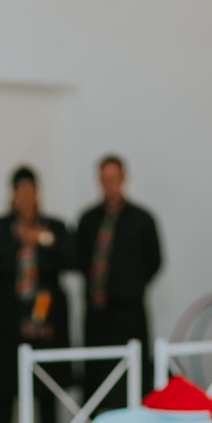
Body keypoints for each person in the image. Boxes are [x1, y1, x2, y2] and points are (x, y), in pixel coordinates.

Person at [0, 167, 77, 423]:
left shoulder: (54, 227)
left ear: (38, 194)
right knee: (4, 387)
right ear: (13, 195)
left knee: (48, 387)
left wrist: (42, 238)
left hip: (48, 321)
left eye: (32, 192)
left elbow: (74, 259)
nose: (27, 198)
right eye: (21, 192)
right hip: (8, 320)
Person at [76, 155, 162, 408]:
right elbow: (80, 258)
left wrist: (129, 285)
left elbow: (155, 261)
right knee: (97, 374)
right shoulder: (88, 219)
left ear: (124, 179)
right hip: (98, 314)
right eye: (105, 180)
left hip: (130, 312)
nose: (110, 185)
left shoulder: (142, 219)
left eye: (114, 179)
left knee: (132, 375)